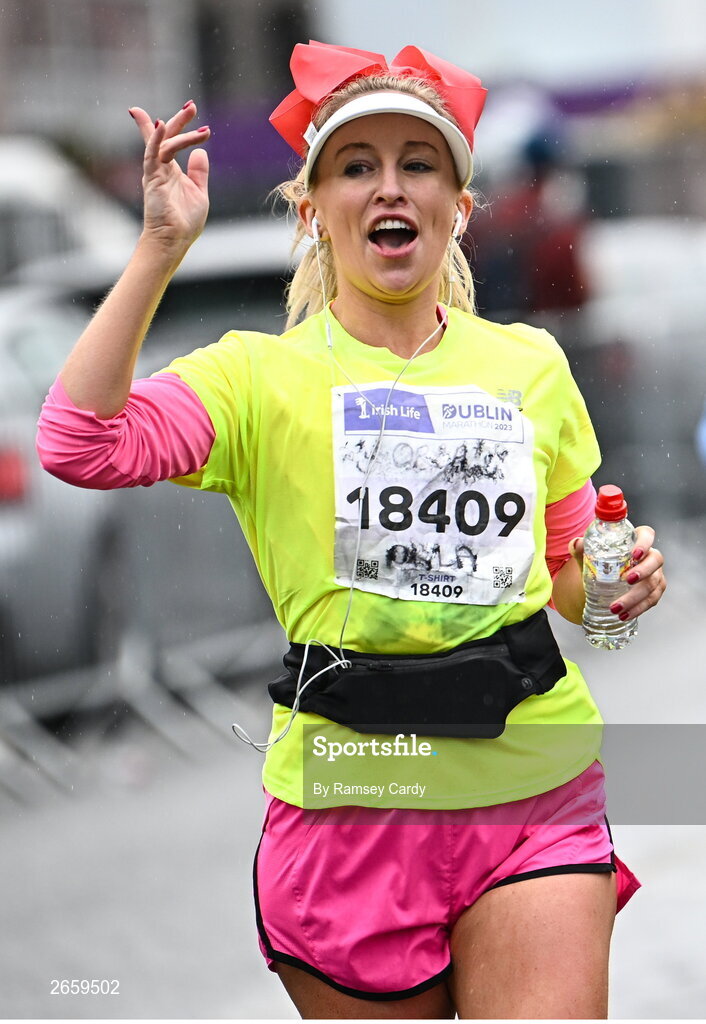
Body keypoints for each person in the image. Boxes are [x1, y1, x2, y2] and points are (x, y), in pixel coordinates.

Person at [37, 40, 667, 1020]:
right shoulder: (255, 377)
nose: (389, 186)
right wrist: (159, 246)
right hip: (350, 799)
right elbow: (78, 441)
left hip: (529, 787)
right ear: (312, 209)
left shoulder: (532, 365)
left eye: (418, 164)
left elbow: (575, 584)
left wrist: (618, 591)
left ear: (456, 208)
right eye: (356, 166)